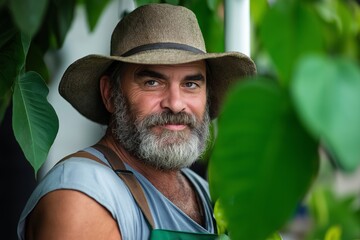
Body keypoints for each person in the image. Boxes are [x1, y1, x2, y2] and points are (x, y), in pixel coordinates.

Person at [17, 3, 255, 240]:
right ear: (110, 94)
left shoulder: (203, 192)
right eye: (152, 82)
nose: (175, 103)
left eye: (190, 84)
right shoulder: (82, 196)